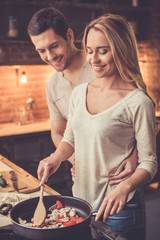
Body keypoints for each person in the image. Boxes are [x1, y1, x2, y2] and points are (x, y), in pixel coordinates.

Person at [28, 8, 138, 195]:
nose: (50, 56)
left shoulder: (102, 63)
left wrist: (135, 158)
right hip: (84, 185)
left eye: (54, 46)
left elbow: (144, 115)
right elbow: (58, 132)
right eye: (42, 51)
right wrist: (74, 159)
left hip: (121, 183)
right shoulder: (53, 86)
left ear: (69, 36)